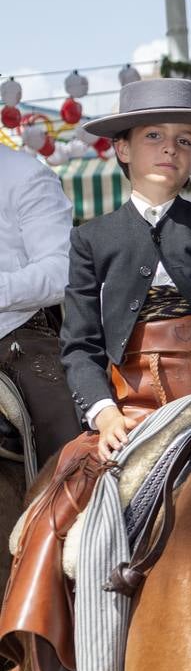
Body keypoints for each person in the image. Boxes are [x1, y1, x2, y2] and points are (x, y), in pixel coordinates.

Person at [0, 78, 191, 671]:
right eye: (153, 137)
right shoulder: (93, 239)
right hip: (132, 403)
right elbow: (81, 346)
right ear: (121, 150)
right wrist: (103, 411)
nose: (169, 150)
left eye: (184, 141)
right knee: (49, 517)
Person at [0, 145, 81, 464]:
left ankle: (79, 510)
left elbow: (62, 269)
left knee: (67, 437)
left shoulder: (25, 174)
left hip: (13, 335)